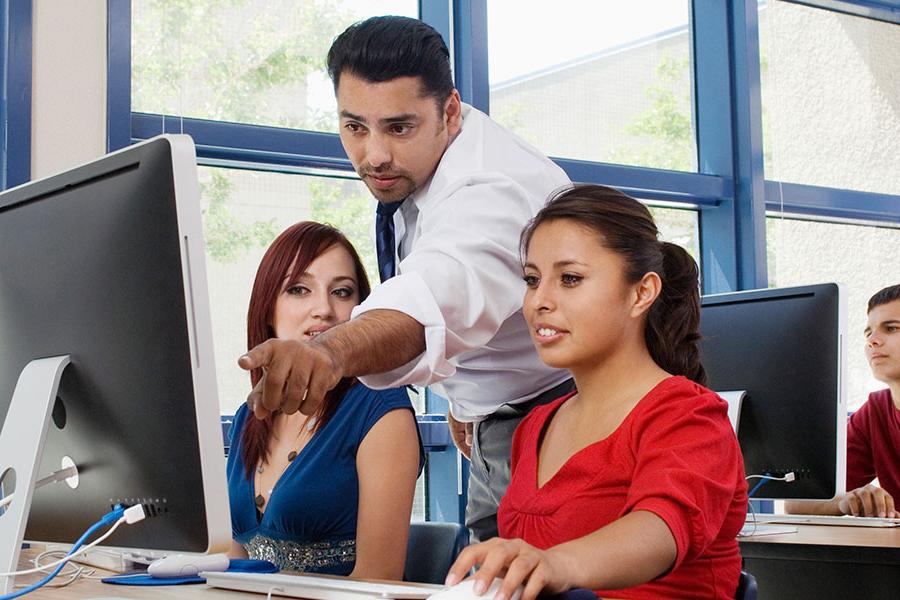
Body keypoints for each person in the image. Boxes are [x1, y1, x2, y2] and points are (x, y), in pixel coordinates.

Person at [238, 16, 573, 542]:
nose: (374, 155)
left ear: (451, 112)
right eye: (355, 127)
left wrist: (328, 354)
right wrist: (464, 400)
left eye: (399, 128)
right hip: (496, 418)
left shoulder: (491, 189)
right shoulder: (423, 164)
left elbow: (432, 297)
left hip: (556, 424)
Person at [444, 185, 748, 599]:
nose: (539, 301)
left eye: (570, 279)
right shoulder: (536, 425)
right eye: (532, 280)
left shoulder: (688, 415)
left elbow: (660, 527)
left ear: (641, 292)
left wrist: (557, 563)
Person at [226, 221, 422, 578]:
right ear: (268, 308)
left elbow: (377, 583)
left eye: (342, 292)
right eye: (300, 290)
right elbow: (233, 559)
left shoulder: (380, 409)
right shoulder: (247, 417)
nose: (324, 310)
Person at [786, 284, 900, 519]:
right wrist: (846, 503)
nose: (873, 341)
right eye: (868, 333)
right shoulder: (874, 412)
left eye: (891, 328)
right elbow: (797, 501)